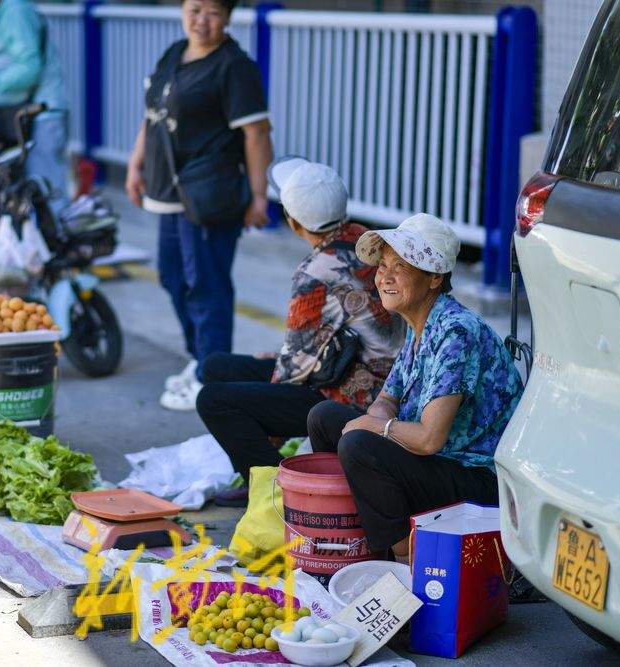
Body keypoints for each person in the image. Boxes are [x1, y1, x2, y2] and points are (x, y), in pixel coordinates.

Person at [307, 213, 524, 561]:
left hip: (478, 480)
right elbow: (388, 397)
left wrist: (375, 427)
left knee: (359, 444)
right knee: (325, 418)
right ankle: (357, 538)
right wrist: (377, 416)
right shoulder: (419, 323)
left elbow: (428, 439)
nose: (385, 277)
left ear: (434, 277)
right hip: (438, 462)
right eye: (383, 266)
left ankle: (405, 562)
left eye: (401, 267)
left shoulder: (457, 332)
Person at [196, 157, 404, 506]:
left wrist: (265, 421)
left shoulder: (314, 272)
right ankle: (264, 471)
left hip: (354, 394)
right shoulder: (362, 238)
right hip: (366, 370)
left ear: (294, 224)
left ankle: (274, 488)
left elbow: (291, 371)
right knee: (218, 367)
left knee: (215, 401)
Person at [125, 0, 273, 411]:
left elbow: (257, 133)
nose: (200, 19)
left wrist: (259, 196)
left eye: (211, 11)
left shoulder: (234, 66)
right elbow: (151, 117)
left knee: (207, 287)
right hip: (169, 193)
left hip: (210, 197)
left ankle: (212, 375)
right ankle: (201, 358)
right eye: (193, 8)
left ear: (227, 17)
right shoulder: (174, 53)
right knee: (173, 278)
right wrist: (136, 165)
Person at [0, 0, 70, 212]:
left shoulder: (14, 11)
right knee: (26, 197)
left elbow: (29, 68)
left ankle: (54, 244)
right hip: (23, 114)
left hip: (42, 113)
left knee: (46, 195)